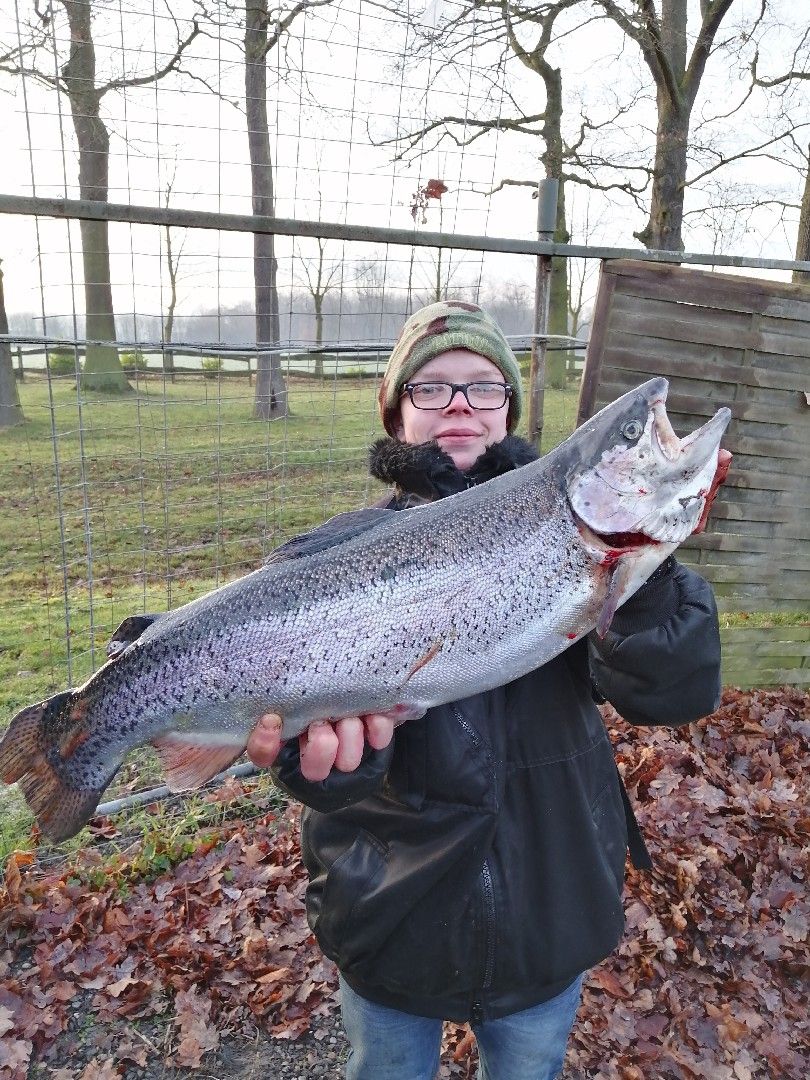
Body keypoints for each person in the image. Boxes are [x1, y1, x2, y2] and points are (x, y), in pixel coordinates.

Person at [246, 300, 723, 1080]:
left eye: (484, 386)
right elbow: (321, 774)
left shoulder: (581, 540)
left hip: (550, 909)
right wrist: (322, 762)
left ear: (509, 408)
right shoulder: (337, 563)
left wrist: (647, 570)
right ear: (397, 415)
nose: (460, 404)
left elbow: (670, 694)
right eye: (431, 389)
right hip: (389, 915)